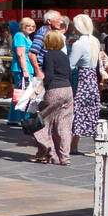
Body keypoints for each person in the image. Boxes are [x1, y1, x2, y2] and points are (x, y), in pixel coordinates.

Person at [31, 30, 73, 165]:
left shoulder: (49, 55)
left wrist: (39, 91)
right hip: (67, 90)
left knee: (42, 122)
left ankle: (52, 155)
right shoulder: (64, 55)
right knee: (64, 125)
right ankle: (65, 157)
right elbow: (69, 74)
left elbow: (48, 76)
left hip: (54, 90)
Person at [69, 13, 102, 153]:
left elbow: (71, 64)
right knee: (91, 111)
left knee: (78, 111)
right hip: (92, 78)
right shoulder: (95, 41)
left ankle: (74, 145)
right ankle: (94, 145)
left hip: (82, 78)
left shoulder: (78, 44)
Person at [8, 17, 38, 126]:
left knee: (20, 93)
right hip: (22, 69)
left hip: (26, 68)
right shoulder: (20, 36)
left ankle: (14, 117)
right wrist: (25, 70)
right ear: (22, 26)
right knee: (23, 93)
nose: (30, 28)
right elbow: (21, 54)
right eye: (28, 26)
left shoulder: (26, 36)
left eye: (32, 26)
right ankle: (19, 117)